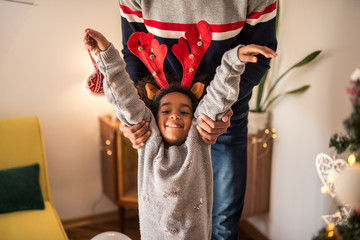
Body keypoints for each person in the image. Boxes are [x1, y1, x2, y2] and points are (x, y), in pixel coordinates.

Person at [84, 26, 276, 239]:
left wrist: (234, 61)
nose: (175, 116)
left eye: (184, 111)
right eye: (166, 111)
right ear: (153, 117)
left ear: (194, 117)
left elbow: (217, 97)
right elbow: (124, 97)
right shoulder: (148, 138)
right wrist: (106, 53)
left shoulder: (199, 137)